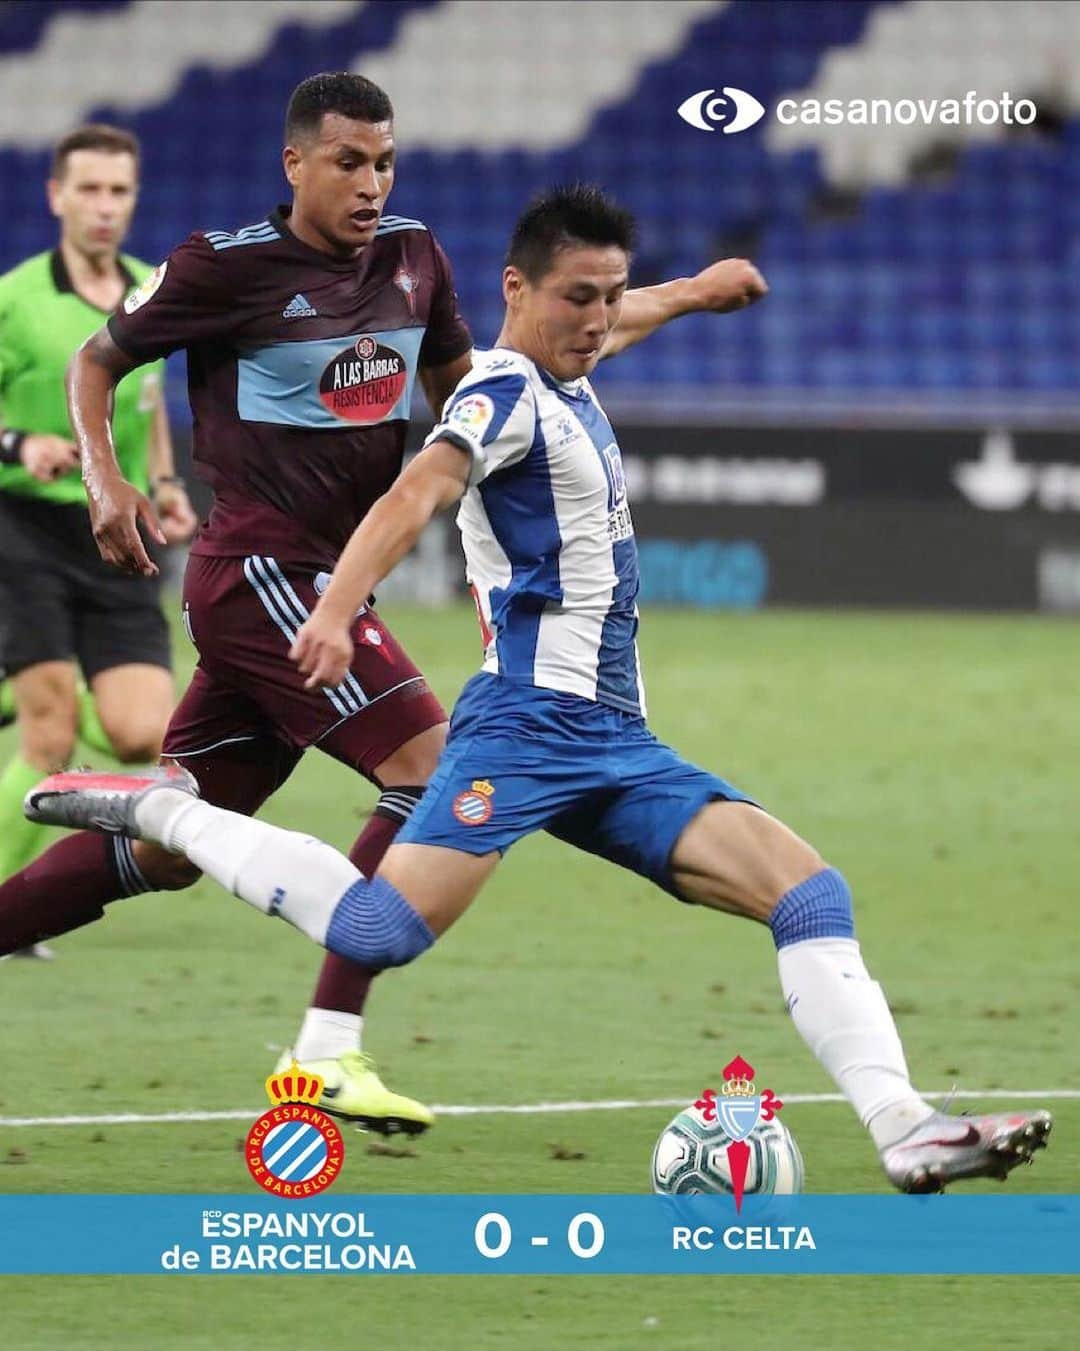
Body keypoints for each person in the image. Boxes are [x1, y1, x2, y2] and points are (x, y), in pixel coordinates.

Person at [27, 185, 1053, 1193]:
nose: (600, 317)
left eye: (611, 295)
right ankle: (163, 811)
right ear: (516, 290)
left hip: (615, 742)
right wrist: (337, 606)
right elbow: (418, 485)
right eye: (580, 298)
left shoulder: (573, 367)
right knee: (379, 931)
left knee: (808, 892)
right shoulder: (499, 393)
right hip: (521, 729)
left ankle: (907, 1128)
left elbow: (623, 318)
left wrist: (691, 292)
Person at [0, 76, 768, 1130]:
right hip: (267, 573)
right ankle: (327, 1051)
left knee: (177, 851)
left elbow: (510, 370)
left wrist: (685, 295)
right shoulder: (222, 267)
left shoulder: (413, 259)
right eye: (350, 163)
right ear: (296, 166)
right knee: (427, 763)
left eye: (385, 162)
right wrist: (104, 476)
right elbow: (97, 360)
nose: (371, 184)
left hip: (310, 584)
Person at [0, 123, 196, 958]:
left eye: (119, 190)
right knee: (47, 734)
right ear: (56, 196)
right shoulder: (13, 298)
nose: (104, 206)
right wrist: (17, 444)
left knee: (139, 737)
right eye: (88, 189)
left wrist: (165, 486)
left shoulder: (151, 291)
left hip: (114, 532)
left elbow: (145, 410)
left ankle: (17, 687)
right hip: (23, 525)